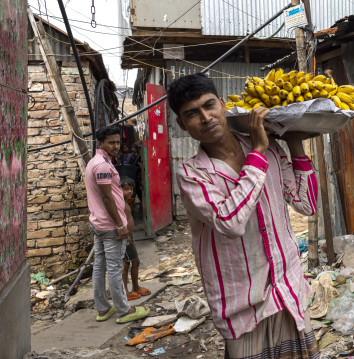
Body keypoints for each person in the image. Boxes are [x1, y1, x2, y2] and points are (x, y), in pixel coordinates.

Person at [167, 73, 320, 359]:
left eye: (209, 105)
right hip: (243, 304)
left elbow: (307, 204)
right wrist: (258, 152)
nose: (206, 117)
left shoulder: (270, 149)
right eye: (192, 113)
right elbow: (230, 221)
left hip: (288, 288)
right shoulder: (191, 174)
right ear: (182, 124)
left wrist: (295, 142)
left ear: (222, 105)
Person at [85, 126, 150, 324]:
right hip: (109, 225)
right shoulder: (103, 166)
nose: (116, 146)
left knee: (99, 266)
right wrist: (121, 225)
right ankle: (123, 310)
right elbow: (107, 198)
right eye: (111, 142)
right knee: (113, 268)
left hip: (98, 223)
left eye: (117, 142)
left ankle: (104, 309)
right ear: (100, 143)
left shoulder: (96, 162)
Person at [119, 176, 151, 300]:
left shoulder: (125, 201)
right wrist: (127, 236)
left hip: (128, 236)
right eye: (126, 189)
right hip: (125, 236)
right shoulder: (119, 203)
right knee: (131, 262)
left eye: (131, 189)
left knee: (128, 262)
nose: (129, 191)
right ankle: (129, 291)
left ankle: (131, 289)